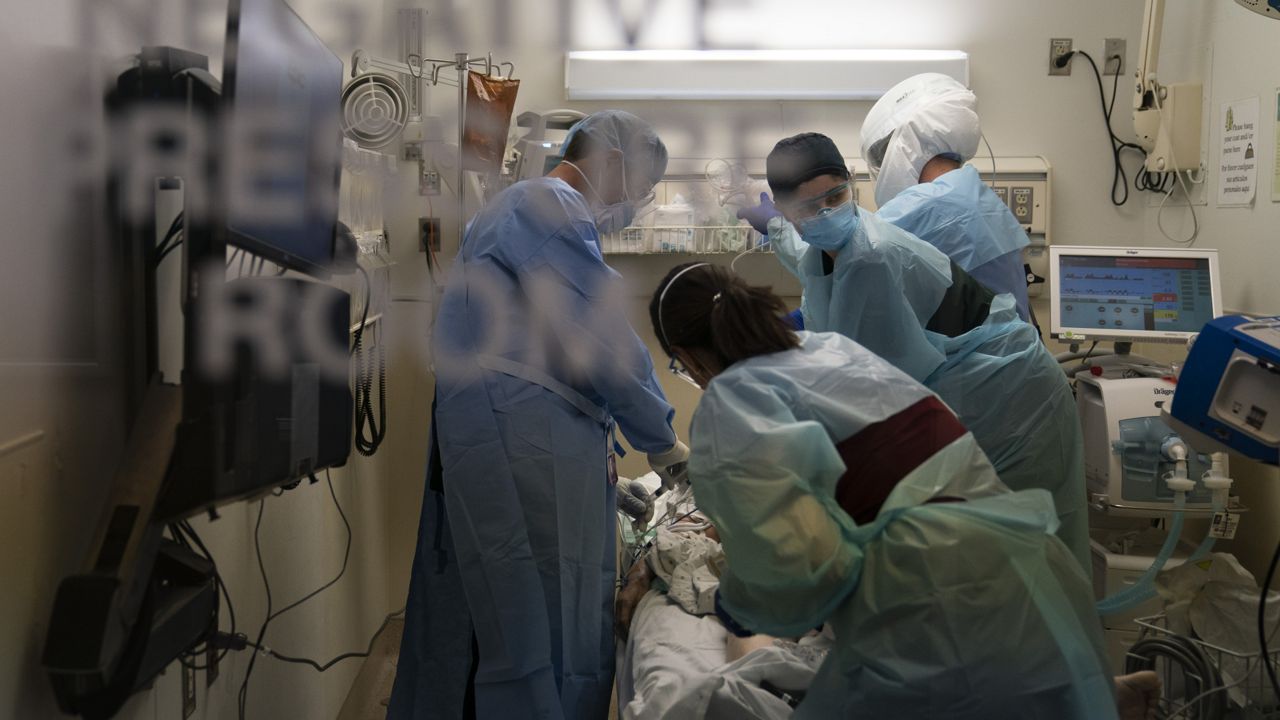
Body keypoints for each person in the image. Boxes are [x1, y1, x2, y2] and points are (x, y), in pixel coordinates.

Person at [646, 262, 1117, 718]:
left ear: (686, 356)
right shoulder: (826, 348)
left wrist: (738, 603)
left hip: (926, 592)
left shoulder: (732, 400)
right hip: (1018, 561)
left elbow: (793, 572)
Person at [389, 110, 691, 720]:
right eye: (636, 189)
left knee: (490, 611)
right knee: (527, 617)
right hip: (513, 440)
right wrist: (663, 439)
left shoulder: (523, 209)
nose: (632, 205)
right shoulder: (545, 205)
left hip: (506, 429)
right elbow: (599, 334)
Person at [744, 132, 1089, 571]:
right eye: (808, 208)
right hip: (971, 391)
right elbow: (807, 250)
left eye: (836, 195)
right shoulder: (826, 240)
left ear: (850, 183)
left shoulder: (872, 256)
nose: (827, 213)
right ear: (791, 215)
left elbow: (871, 403)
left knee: (1024, 555)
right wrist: (772, 225)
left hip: (1015, 400)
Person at [863, 73, 1033, 323]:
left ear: (905, 143)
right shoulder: (973, 195)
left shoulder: (922, 209)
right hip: (1010, 357)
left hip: (964, 361)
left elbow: (850, 262)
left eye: (882, 157)